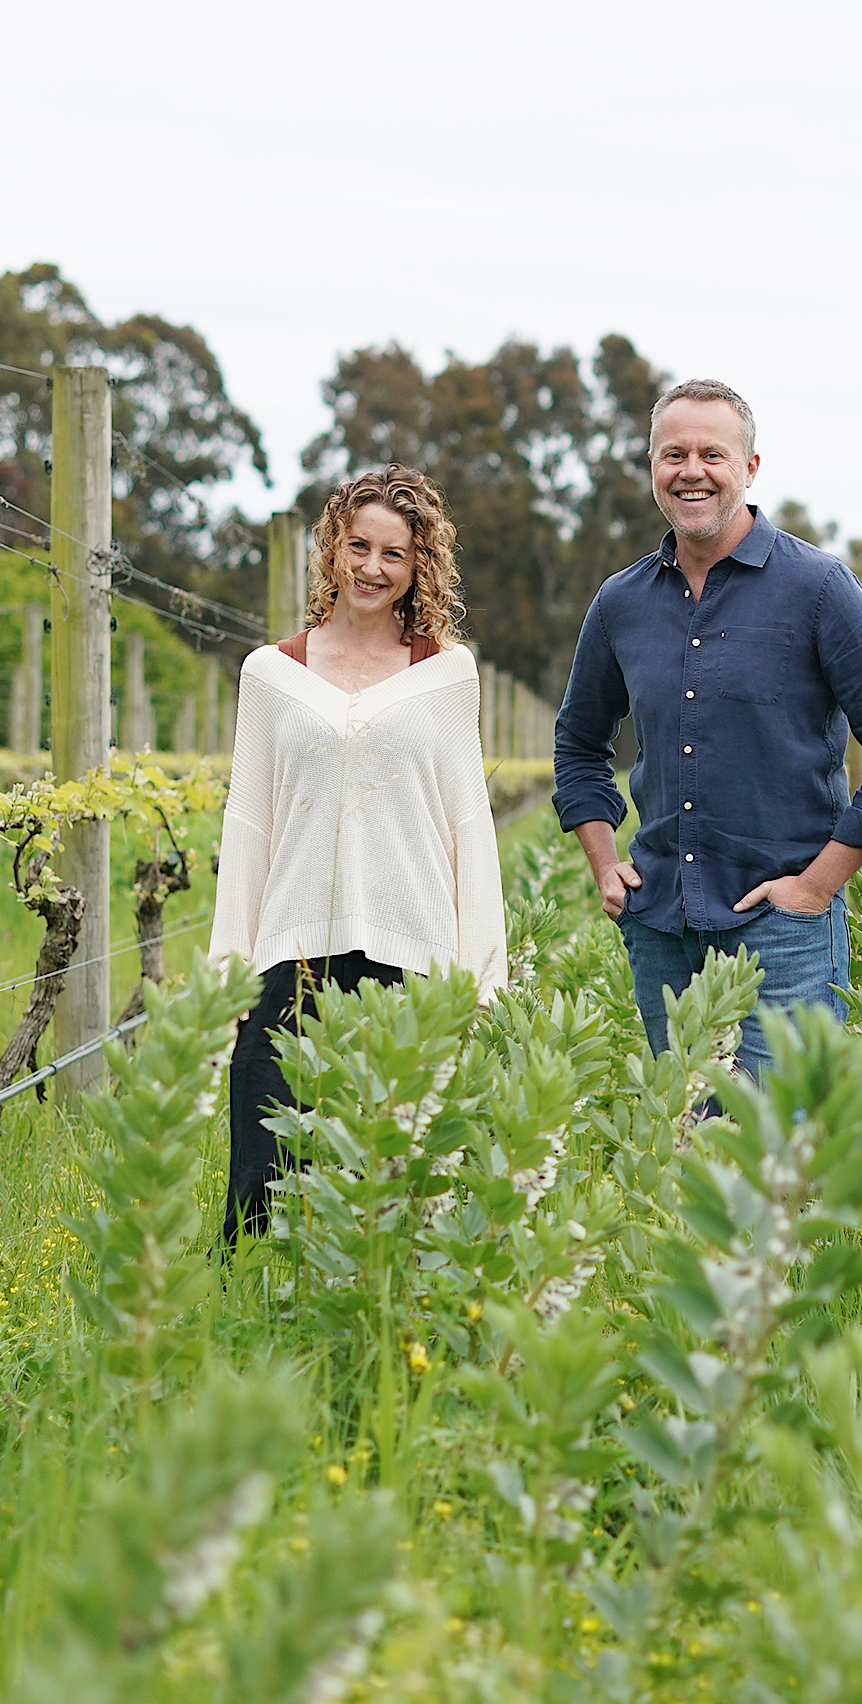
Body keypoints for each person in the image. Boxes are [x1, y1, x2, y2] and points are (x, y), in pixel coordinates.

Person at [551, 378, 862, 1073]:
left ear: (749, 468)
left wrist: (816, 887)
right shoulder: (621, 603)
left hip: (783, 931)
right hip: (661, 928)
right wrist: (605, 864)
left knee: (779, 1156)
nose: (691, 471)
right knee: (688, 1150)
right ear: (651, 466)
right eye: (673, 455)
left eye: (712, 454)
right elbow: (579, 742)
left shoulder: (818, 588)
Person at [209, 464, 506, 1241]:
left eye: (395, 554)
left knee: (395, 1186)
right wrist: (226, 980)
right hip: (294, 958)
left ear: (419, 568)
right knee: (262, 1182)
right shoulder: (271, 675)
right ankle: (248, 1328)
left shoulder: (447, 676)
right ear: (332, 551)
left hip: (412, 962)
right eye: (359, 546)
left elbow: (467, 829)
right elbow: (249, 828)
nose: (372, 567)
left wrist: (481, 982)